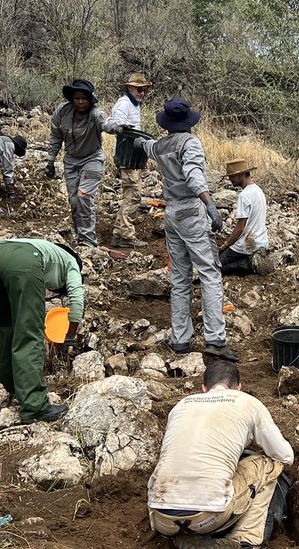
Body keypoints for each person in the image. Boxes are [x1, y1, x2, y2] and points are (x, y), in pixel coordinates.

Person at [148, 358, 294, 549]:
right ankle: (247, 546)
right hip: (209, 516)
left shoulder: (181, 406)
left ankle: (185, 537)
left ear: (204, 388)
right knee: (270, 464)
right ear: (239, 388)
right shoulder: (247, 403)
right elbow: (285, 456)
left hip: (162, 518)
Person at [138, 99, 237, 360]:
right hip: (192, 210)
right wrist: (210, 204)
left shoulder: (160, 146)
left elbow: (146, 146)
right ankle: (215, 339)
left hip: (171, 213)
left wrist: (134, 139)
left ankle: (181, 339)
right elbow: (194, 175)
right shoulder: (189, 144)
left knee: (180, 278)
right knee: (210, 273)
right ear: (189, 123)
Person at [0, 238, 82, 423]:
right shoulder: (72, 262)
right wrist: (69, 338)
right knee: (29, 333)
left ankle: (8, 385)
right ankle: (35, 407)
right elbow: (78, 301)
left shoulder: (44, 247)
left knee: (7, 327)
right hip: (23, 262)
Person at [45, 78, 113, 247]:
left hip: (92, 159)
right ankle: (80, 235)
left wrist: (118, 127)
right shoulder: (62, 112)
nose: (80, 101)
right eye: (77, 98)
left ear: (90, 100)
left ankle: (88, 240)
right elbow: (55, 136)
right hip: (71, 161)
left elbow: (107, 124)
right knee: (74, 201)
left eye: (84, 98)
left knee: (84, 196)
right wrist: (50, 161)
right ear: (71, 99)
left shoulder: (96, 114)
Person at [106, 73, 152, 248]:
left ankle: (119, 234)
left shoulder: (134, 104)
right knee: (133, 195)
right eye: (140, 89)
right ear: (130, 88)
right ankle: (126, 235)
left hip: (133, 156)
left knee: (130, 194)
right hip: (128, 155)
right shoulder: (124, 104)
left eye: (145, 90)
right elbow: (119, 128)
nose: (142, 93)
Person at [218, 158, 268, 276]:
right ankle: (252, 260)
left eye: (232, 176)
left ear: (242, 175)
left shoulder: (244, 195)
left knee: (216, 266)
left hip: (247, 244)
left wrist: (224, 246)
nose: (230, 180)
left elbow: (240, 227)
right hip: (261, 241)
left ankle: (249, 263)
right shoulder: (258, 190)